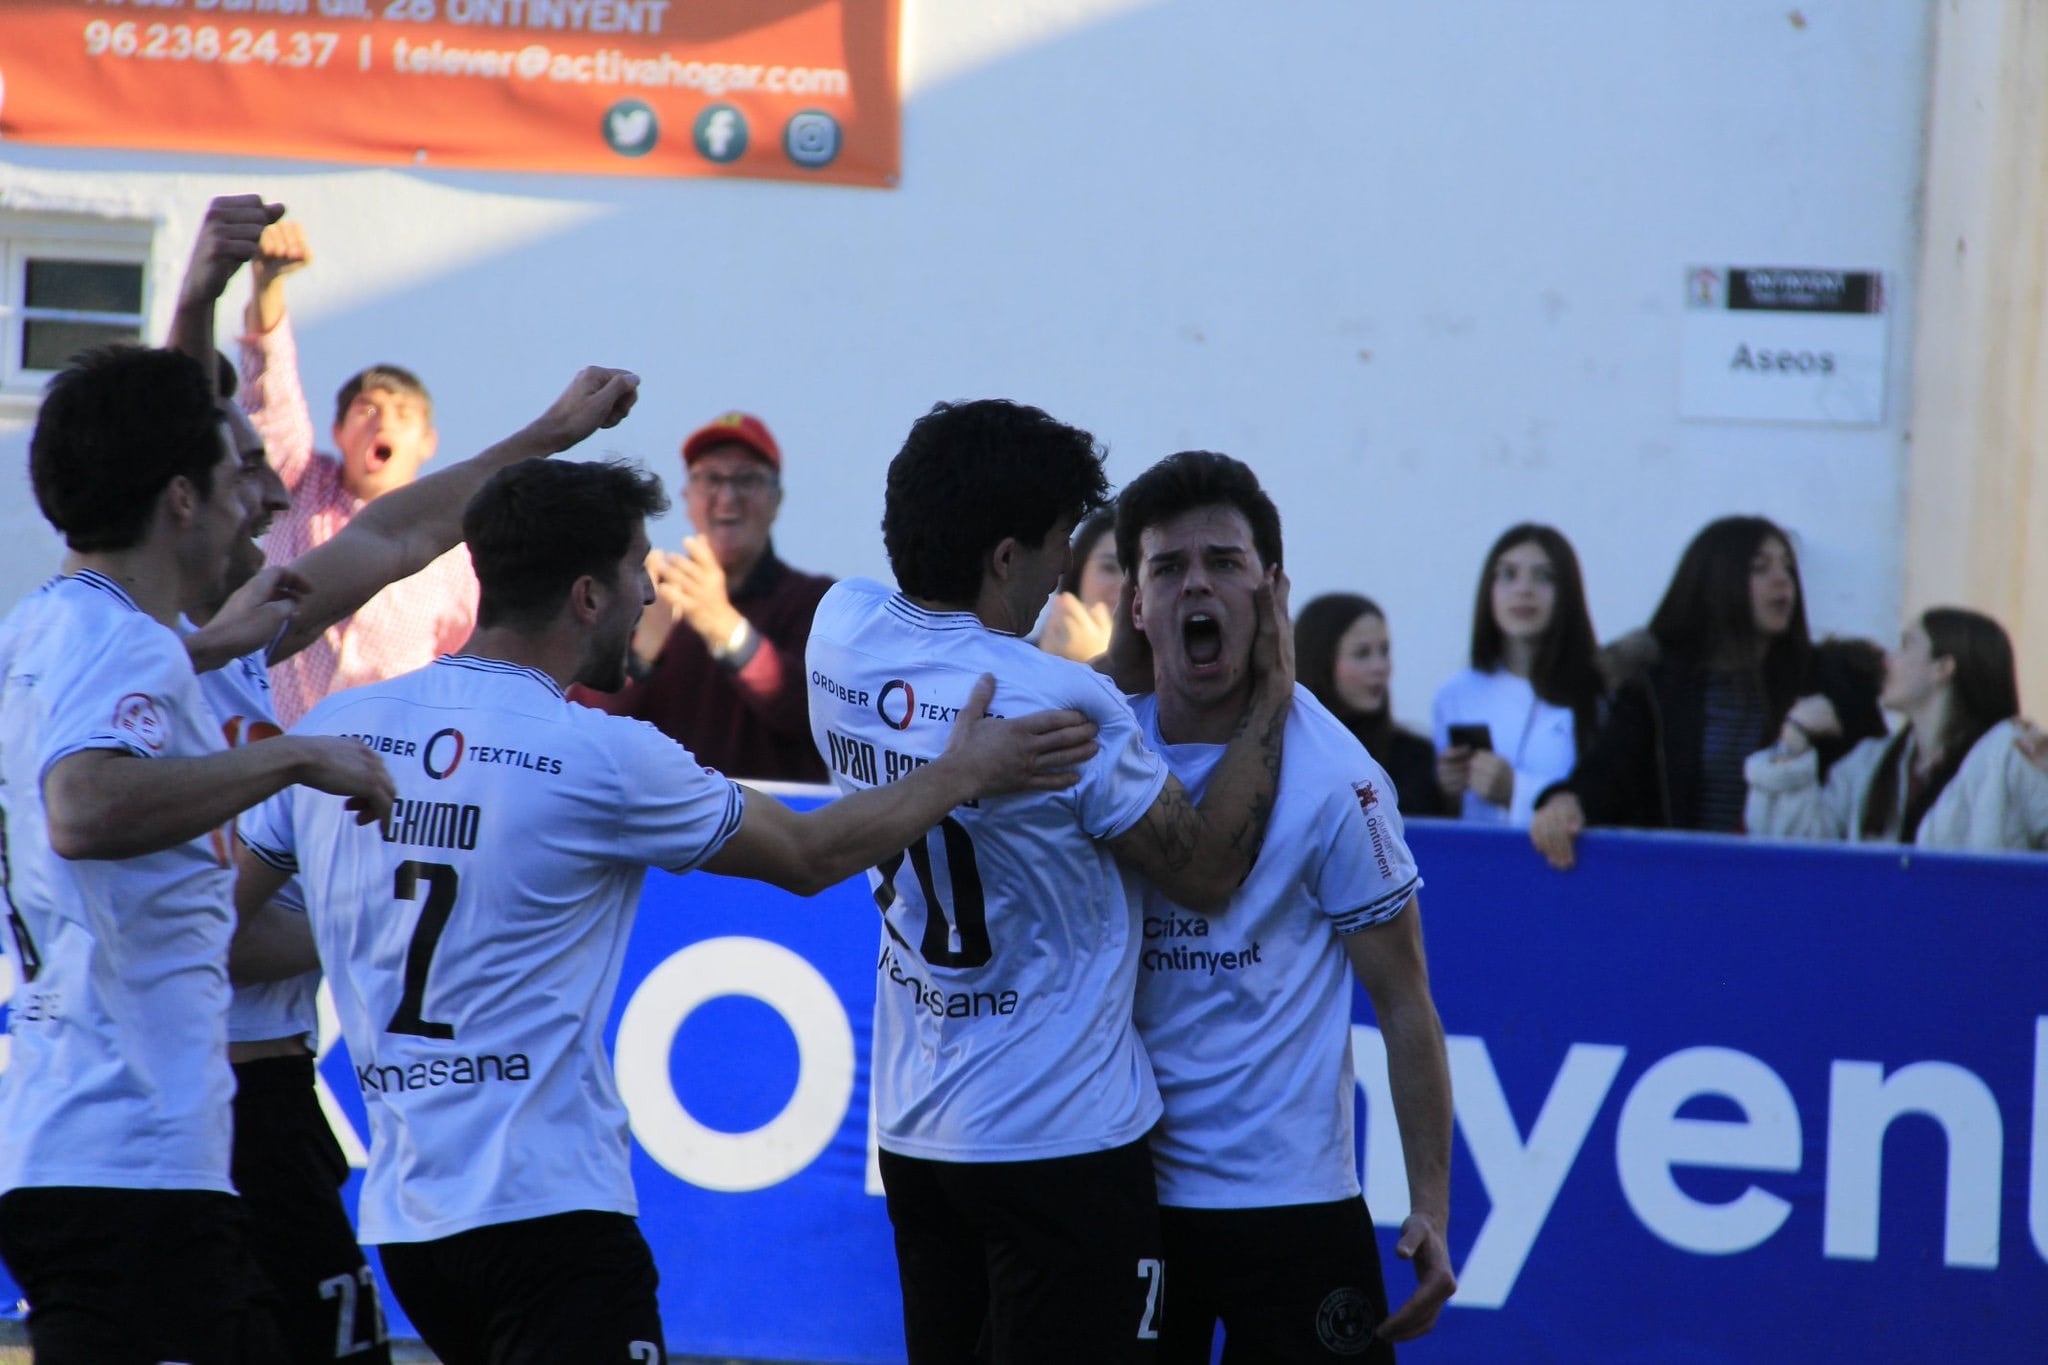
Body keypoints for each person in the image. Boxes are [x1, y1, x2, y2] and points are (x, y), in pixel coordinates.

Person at [234, 456, 1099, 1365]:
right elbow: (813, 855)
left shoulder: (335, 729)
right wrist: (965, 771)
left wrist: (354, 927)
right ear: (586, 596)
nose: (652, 591)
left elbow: (224, 935)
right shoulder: (598, 754)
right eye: (636, 569)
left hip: (407, 1226)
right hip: (551, 1219)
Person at [806, 399, 1293, 1363]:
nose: (1068, 565)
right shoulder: (1053, 698)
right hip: (1058, 1138)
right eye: (1060, 541)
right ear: (1004, 557)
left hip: (915, 1128)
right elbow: (1204, 870)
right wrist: (1273, 694)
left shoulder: (839, 628)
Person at [0, 344, 397, 1365]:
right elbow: (81, 809)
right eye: (233, 480)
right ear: (181, 499)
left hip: (73, 1136)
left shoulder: (43, 628)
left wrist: (210, 652)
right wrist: (295, 757)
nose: (253, 504)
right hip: (134, 1160)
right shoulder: (123, 644)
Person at [1114, 451, 1455, 1362]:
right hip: (1128, 1198)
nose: (1198, 584)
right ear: (1137, 604)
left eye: (1224, 562)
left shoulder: (1339, 778)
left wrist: (1430, 1204)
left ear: (1272, 590)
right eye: (1168, 566)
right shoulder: (1100, 757)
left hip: (1294, 1210)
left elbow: (1406, 1001)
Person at [1529, 515, 1885, 869]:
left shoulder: (1831, 682)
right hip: (1685, 887)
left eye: (1788, 568)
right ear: (1715, 581)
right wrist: (1566, 802)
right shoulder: (1656, 687)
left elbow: (1876, 788)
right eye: (1760, 568)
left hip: (1794, 890)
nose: (1783, 581)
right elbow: (1607, 772)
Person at [240, 218, 477, 725]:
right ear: (339, 431)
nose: (383, 420)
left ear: (428, 443)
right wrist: (268, 289)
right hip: (276, 757)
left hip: (385, 774)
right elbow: (270, 404)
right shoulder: (299, 486)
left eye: (402, 413)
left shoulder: (455, 547)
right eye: (366, 410)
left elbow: (470, 661)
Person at [572, 410, 834, 781]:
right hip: (667, 827)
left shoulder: (816, 603)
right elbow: (584, 727)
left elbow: (820, 716)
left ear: (777, 501)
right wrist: (641, 654)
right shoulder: (646, 598)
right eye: (711, 479)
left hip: (780, 829)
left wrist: (727, 631)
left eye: (748, 480)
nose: (727, 497)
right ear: (687, 496)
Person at [1746, 608, 2048, 850]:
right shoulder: (1869, 765)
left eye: (1905, 645)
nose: (1887, 661)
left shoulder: (2013, 754)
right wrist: (1794, 742)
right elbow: (1796, 850)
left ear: (1942, 668)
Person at [1432, 525, 1603, 826]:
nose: (1524, 590)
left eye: (1544, 577)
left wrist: (1517, 792)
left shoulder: (1600, 693)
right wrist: (1446, 788)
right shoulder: (1456, 694)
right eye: (1508, 575)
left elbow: (1608, 799)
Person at [1296, 593, 1450, 819]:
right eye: (1362, 654)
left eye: (1384, 651)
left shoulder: (1416, 759)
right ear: (1320, 661)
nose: (1380, 667)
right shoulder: (1286, 756)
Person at [1039, 507, 1120, 662]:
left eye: (1136, 572)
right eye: (1109, 568)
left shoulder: (1169, 676)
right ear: (1078, 570)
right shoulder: (1010, 664)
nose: (1124, 585)